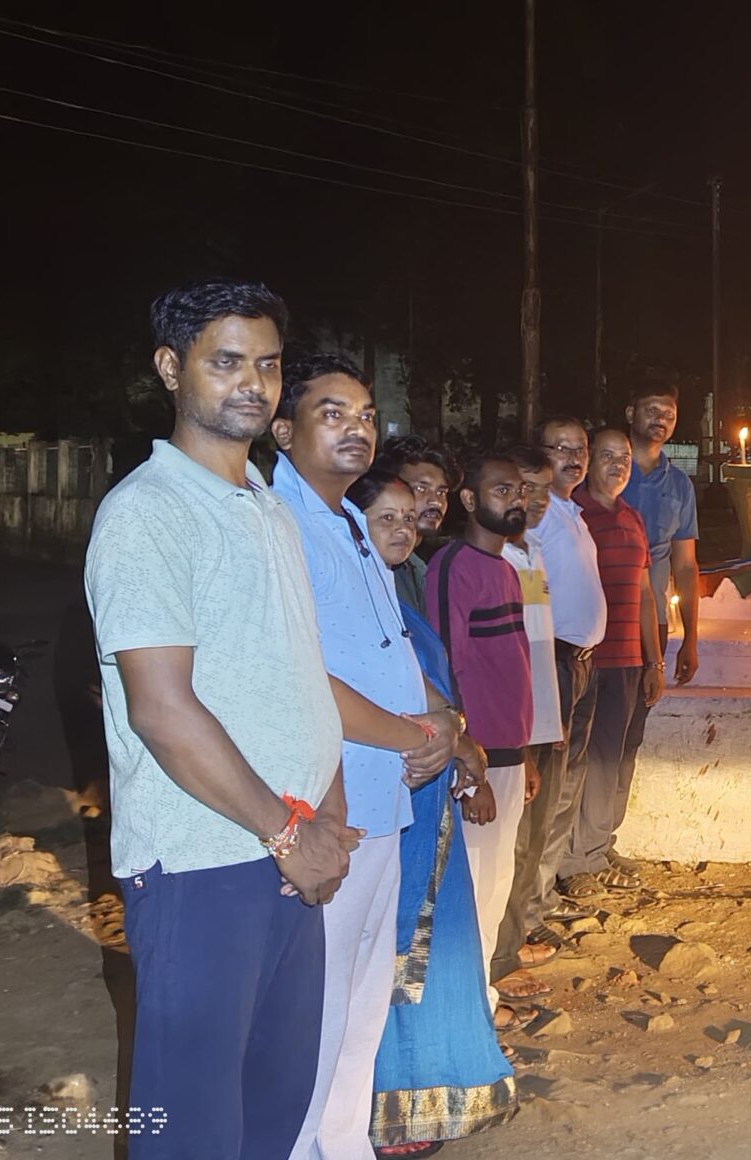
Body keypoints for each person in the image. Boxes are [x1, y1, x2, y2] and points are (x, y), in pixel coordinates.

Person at [86, 279, 351, 1159]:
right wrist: (289, 834)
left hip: (287, 849)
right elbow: (162, 711)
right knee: (194, 1127)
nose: (253, 383)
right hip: (202, 863)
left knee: (273, 1109)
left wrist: (329, 817)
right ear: (171, 368)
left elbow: (300, 677)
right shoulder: (147, 514)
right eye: (227, 361)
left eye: (267, 364)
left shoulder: (269, 507)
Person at [267, 355, 463, 1160]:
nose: (357, 428)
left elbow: (394, 649)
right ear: (283, 431)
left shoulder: (350, 522)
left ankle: (342, 1146)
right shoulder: (277, 525)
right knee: (313, 1012)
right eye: (332, 413)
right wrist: (418, 736)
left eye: (365, 415)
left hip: (386, 799)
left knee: (360, 1002)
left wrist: (444, 718)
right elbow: (301, 678)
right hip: (328, 804)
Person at [346, 469, 514, 1155]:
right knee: (391, 953)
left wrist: (460, 743)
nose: (402, 528)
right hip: (386, 793)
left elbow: (432, 688)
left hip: (428, 793)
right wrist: (443, 739)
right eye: (383, 517)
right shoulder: (348, 598)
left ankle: (427, 1099)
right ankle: (383, 1108)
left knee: (438, 945)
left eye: (407, 516)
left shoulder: (394, 593)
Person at [422, 451, 543, 1031]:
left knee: (495, 886)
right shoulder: (453, 567)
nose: (516, 500)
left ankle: (481, 1007)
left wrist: (525, 755)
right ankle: (459, 1019)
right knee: (469, 891)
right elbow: (447, 670)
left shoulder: (506, 568)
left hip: (508, 754)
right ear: (469, 500)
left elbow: (510, 669)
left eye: (519, 490)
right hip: (477, 761)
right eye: (502, 490)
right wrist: (470, 773)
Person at [565, 426, 663, 896]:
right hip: (590, 659)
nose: (618, 465)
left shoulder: (632, 518)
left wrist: (654, 662)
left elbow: (645, 593)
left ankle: (600, 844)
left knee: (620, 758)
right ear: (589, 461)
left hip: (628, 659)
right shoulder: (575, 516)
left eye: (624, 457)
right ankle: (577, 858)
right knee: (590, 762)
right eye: (607, 455)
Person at [492, 445, 569, 995]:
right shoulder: (495, 559)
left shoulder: (531, 549)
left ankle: (513, 938)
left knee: (534, 836)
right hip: (515, 723)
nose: (534, 499)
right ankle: (498, 958)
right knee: (512, 842)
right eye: (522, 488)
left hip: (543, 713)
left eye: (542, 489)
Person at [527, 418, 609, 909]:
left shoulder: (572, 514)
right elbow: (530, 595)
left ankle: (544, 894)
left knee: (568, 783)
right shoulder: (538, 516)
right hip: (553, 659)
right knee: (547, 788)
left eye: (580, 449)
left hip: (581, 662)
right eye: (561, 448)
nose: (573, 458)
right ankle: (529, 906)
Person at [622, 380, 700, 685]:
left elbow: (685, 566)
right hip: (604, 617)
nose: (661, 420)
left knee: (641, 707)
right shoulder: (604, 474)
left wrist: (690, 639)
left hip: (654, 621)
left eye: (669, 415)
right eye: (652, 411)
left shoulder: (679, 485)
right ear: (630, 413)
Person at [377, 435, 454, 614]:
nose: (436, 502)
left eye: (441, 492)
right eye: (421, 488)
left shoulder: (415, 567)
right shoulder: (375, 564)